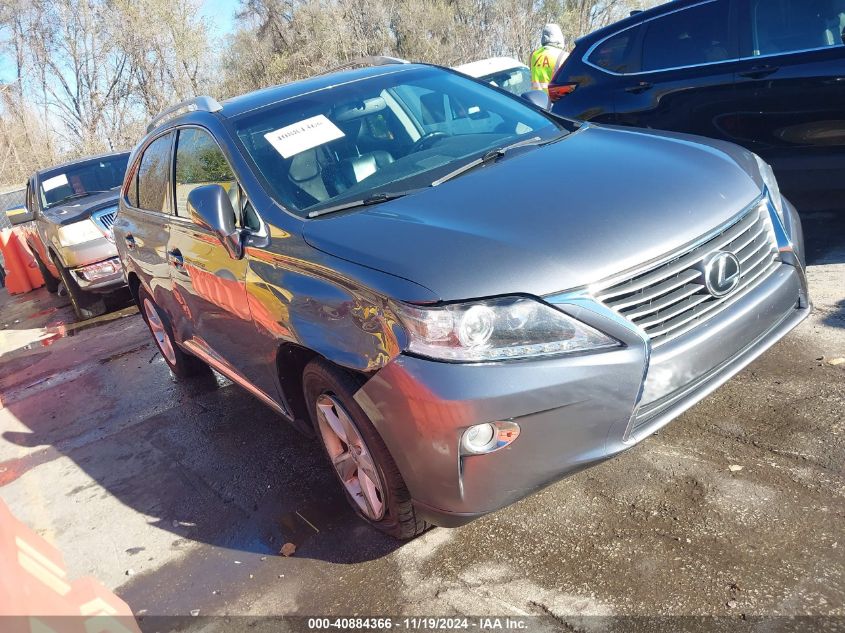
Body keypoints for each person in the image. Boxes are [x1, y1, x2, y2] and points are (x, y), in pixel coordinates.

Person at [530, 23, 568, 93]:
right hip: (552, 100)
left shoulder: (534, 55)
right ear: (559, 37)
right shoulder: (564, 56)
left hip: (534, 99)